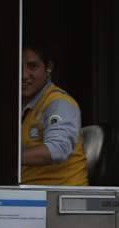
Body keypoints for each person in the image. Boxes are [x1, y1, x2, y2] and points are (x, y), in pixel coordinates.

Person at [20, 44, 86, 185]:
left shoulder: (59, 103)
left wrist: (6, 160)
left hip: (60, 198)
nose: (23, 75)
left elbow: (58, 149)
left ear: (48, 67)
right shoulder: (21, 105)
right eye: (17, 66)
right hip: (29, 196)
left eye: (32, 66)